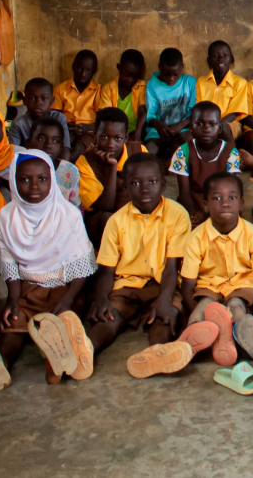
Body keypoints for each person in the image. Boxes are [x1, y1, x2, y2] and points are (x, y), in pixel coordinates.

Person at [86, 154, 212, 379]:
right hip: (127, 284)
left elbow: (172, 265)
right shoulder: (116, 221)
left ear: (163, 184)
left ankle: (156, 353)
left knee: (166, 315)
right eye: (135, 183)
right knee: (109, 316)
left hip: (164, 283)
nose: (144, 189)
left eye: (152, 182)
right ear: (125, 187)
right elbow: (106, 270)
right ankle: (86, 350)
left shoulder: (177, 215)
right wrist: (101, 297)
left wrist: (165, 298)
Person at [0, 151, 97, 387]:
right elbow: (9, 264)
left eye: (42, 179)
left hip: (65, 288)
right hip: (27, 290)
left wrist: (67, 299)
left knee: (64, 320)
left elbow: (81, 266)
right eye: (24, 179)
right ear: (13, 181)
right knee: (11, 327)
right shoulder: (5, 218)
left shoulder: (68, 214)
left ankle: (56, 358)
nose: (33, 186)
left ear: (52, 180)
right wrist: (12, 299)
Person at [181, 173, 253, 365]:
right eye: (216, 198)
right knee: (202, 309)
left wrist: (251, 308)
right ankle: (188, 345)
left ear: (241, 203)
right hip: (208, 287)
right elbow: (188, 284)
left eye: (232, 197)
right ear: (205, 205)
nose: (225, 203)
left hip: (241, 286)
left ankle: (239, 336)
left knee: (237, 308)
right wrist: (192, 310)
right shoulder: (195, 237)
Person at [77, 108, 145, 243]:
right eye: (104, 137)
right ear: (95, 135)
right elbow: (106, 205)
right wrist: (111, 169)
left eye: (117, 138)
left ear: (126, 138)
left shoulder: (139, 151)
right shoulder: (85, 162)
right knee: (108, 220)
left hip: (136, 211)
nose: (110, 144)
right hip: (104, 218)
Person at [170, 102, 242, 227]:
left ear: (219, 128)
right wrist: (194, 213)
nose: (206, 128)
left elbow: (231, 190)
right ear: (191, 127)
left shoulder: (231, 152)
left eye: (212, 124)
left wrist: (211, 213)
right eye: (199, 124)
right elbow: (185, 192)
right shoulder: (183, 152)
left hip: (221, 201)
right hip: (193, 201)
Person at [143, 48, 196, 158]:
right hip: (158, 131)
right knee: (149, 149)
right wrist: (159, 125)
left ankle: (170, 161)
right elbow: (150, 115)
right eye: (166, 74)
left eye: (175, 74)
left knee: (189, 144)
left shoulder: (189, 82)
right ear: (160, 67)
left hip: (183, 129)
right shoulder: (152, 85)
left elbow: (196, 112)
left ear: (182, 67)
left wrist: (182, 124)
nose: (171, 78)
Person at [195, 40, 250, 143]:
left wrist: (215, 126)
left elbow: (234, 113)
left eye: (225, 55)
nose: (220, 58)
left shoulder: (240, 83)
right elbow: (199, 108)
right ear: (209, 61)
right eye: (215, 56)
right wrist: (208, 125)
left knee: (223, 129)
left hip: (229, 123)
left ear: (232, 59)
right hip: (204, 123)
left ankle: (233, 157)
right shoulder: (201, 82)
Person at [25, 117, 81, 207]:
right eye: (41, 139)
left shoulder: (70, 170)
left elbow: (75, 207)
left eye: (55, 141)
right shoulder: (21, 170)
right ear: (28, 143)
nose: (48, 145)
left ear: (61, 147)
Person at [52, 49, 101, 147]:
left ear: (94, 71)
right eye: (79, 69)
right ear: (73, 66)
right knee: (62, 145)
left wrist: (87, 127)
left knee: (79, 147)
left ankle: (68, 160)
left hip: (89, 130)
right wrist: (65, 126)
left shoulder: (98, 90)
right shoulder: (60, 89)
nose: (83, 74)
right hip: (66, 128)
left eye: (88, 70)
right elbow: (55, 115)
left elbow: (102, 119)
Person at [95, 49, 147, 141]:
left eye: (135, 76)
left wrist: (137, 133)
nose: (130, 79)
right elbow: (106, 116)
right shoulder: (108, 89)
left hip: (135, 131)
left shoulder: (141, 87)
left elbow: (143, 112)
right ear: (119, 67)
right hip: (114, 132)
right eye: (127, 75)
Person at [6, 78, 71, 151]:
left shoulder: (59, 118)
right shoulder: (18, 124)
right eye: (32, 98)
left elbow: (66, 148)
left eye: (43, 98)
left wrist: (63, 162)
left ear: (52, 101)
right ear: (24, 101)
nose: (38, 102)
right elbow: (13, 153)